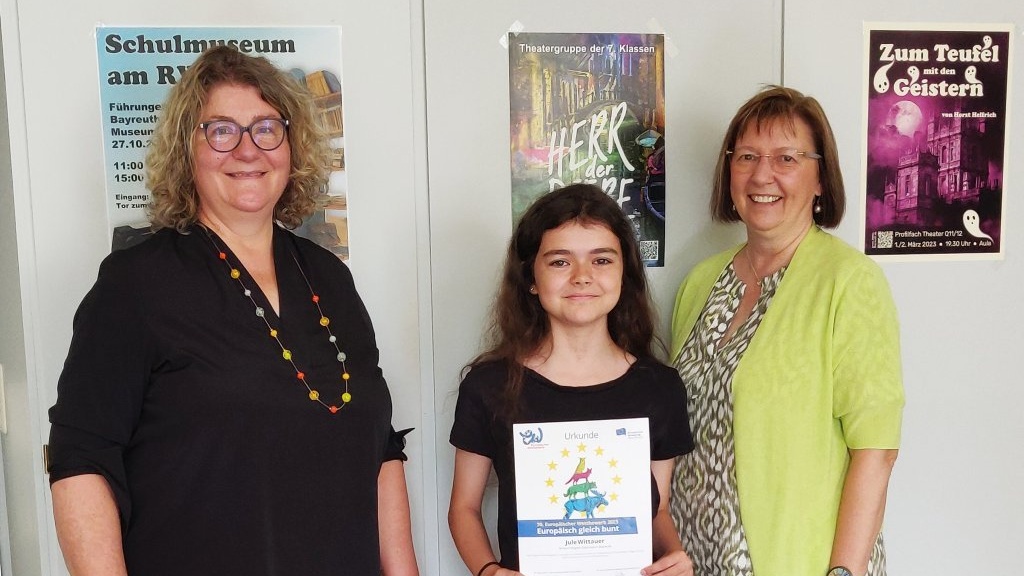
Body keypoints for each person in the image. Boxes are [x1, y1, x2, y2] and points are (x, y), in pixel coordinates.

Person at [47, 46, 418, 576]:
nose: (248, 150)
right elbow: (81, 459)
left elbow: (379, 447)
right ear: (187, 150)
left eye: (267, 128)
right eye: (221, 130)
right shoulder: (136, 284)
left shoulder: (328, 278)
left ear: (291, 145)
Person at [668, 85, 905, 576]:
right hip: (697, 558)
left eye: (787, 158)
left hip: (804, 561)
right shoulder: (700, 282)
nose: (762, 175)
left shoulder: (849, 281)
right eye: (746, 156)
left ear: (821, 178)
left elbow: (876, 451)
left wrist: (843, 572)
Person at [449, 183, 695, 576]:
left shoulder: (660, 388)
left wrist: (674, 557)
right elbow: (464, 508)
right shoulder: (488, 386)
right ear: (531, 278)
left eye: (602, 260)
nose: (582, 277)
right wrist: (488, 571)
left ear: (624, 274)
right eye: (560, 262)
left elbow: (657, 509)